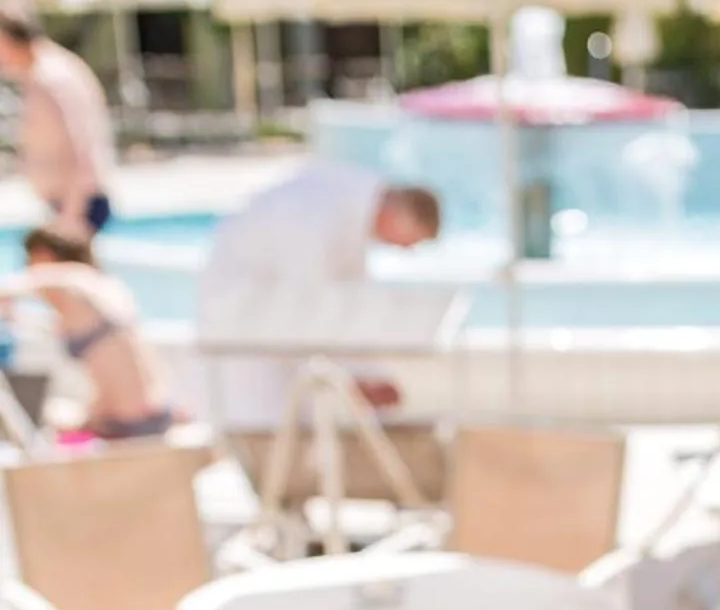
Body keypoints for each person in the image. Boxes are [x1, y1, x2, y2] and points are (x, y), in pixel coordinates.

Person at [198, 161, 443, 422]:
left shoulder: (352, 211)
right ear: (396, 219)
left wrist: (369, 374)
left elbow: (346, 307)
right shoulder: (321, 213)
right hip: (243, 328)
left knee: (294, 425)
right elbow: (308, 308)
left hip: (270, 327)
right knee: (264, 424)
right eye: (408, 242)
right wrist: (355, 378)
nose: (404, 250)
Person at [0, 228, 173, 439]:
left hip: (124, 421)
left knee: (41, 420)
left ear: (43, 254)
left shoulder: (66, 280)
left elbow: (13, 286)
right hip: (156, 409)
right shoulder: (102, 285)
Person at [0, 2, 115, 240]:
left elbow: (80, 147)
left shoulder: (51, 78)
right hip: (68, 203)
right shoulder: (43, 72)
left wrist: (70, 221)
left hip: (78, 205)